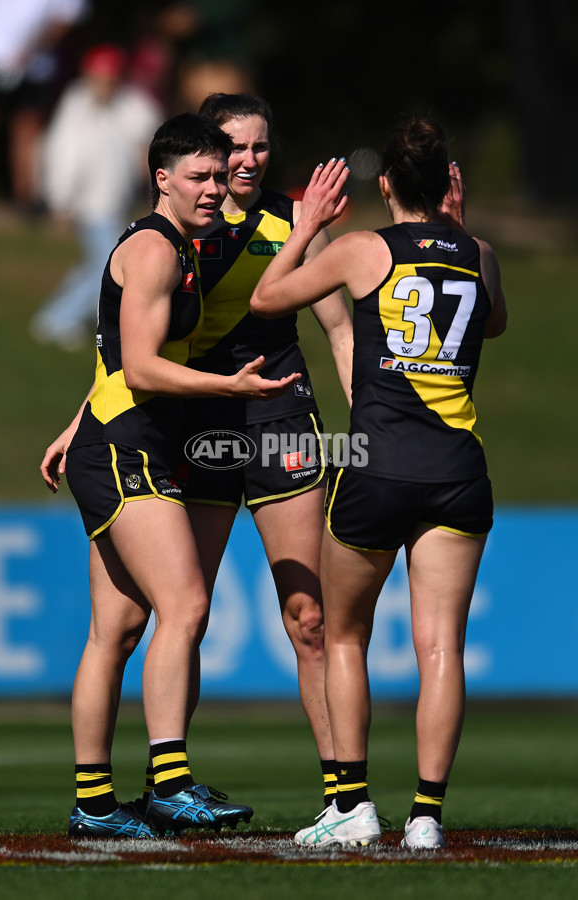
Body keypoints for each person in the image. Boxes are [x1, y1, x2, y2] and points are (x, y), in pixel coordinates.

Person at [40, 112, 302, 838]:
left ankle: (94, 804)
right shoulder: (157, 250)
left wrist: (73, 425)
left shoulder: (179, 245)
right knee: (185, 606)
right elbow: (140, 365)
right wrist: (231, 390)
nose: (216, 187)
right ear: (163, 178)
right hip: (128, 452)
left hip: (115, 439)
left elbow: (111, 356)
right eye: (200, 176)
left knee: (117, 631)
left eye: (221, 175)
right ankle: (169, 785)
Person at [250, 117, 507, 849]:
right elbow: (493, 324)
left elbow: (268, 299)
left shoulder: (364, 250)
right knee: (441, 649)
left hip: (376, 466)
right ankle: (426, 816)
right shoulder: (480, 254)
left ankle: (354, 806)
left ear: (386, 184)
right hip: (458, 472)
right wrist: (460, 231)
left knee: (344, 639)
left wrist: (304, 228)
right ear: (449, 184)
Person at [181, 92, 353, 810]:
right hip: (200, 423)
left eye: (259, 147)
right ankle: (171, 781)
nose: (247, 161)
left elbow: (339, 329)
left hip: (283, 419)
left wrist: (375, 417)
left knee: (310, 617)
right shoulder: (180, 224)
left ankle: (345, 794)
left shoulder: (293, 220)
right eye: (233, 148)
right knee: (185, 609)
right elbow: (129, 335)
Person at [30, 43, 162, 351]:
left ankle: (58, 316)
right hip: (89, 203)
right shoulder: (76, 104)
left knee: (96, 263)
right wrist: (60, 198)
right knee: (109, 264)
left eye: (111, 77)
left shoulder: (130, 103)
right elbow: (64, 154)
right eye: (99, 77)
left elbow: (151, 135)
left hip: (117, 201)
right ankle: (60, 318)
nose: (105, 84)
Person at [0, 0, 88, 211]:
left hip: (36, 67)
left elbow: (65, 19)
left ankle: (26, 198)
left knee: (28, 129)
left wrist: (30, 50)